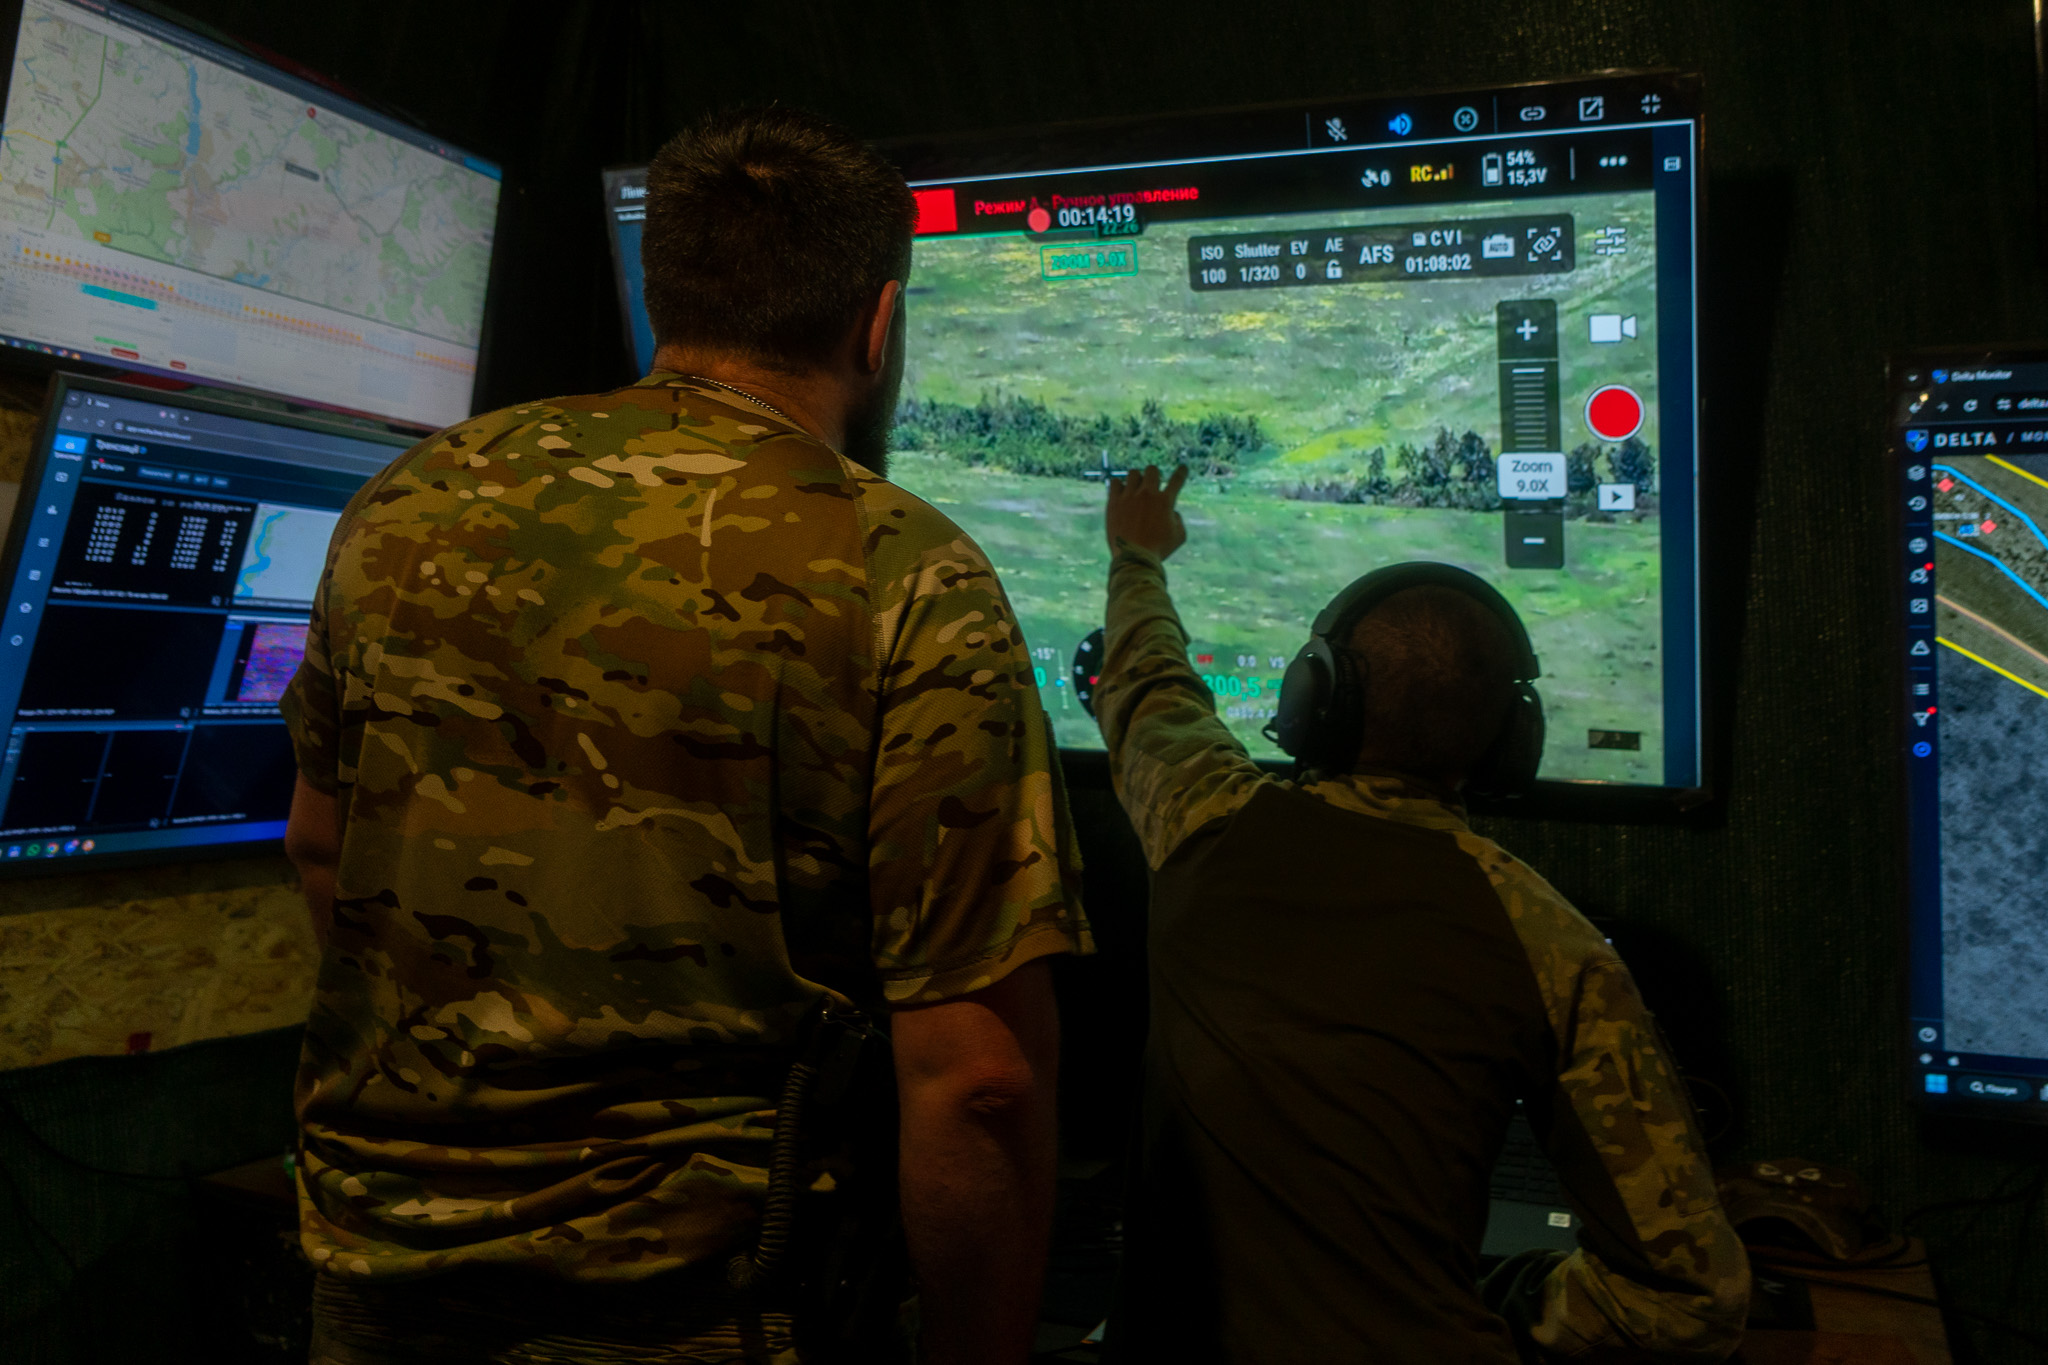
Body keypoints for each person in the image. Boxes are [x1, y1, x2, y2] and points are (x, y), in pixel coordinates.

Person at [281, 106, 1091, 1365]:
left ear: (668, 294)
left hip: (380, 1274)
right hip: (707, 1305)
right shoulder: (904, 568)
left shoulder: (407, 499)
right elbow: (976, 1075)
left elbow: (324, 851)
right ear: (878, 325)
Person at [1093, 465, 1749, 1363]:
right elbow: (1689, 1299)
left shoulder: (1200, 819)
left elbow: (1146, 685)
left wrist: (1138, 556)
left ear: (1312, 698)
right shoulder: (1550, 940)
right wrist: (1499, 1300)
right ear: (1513, 739)